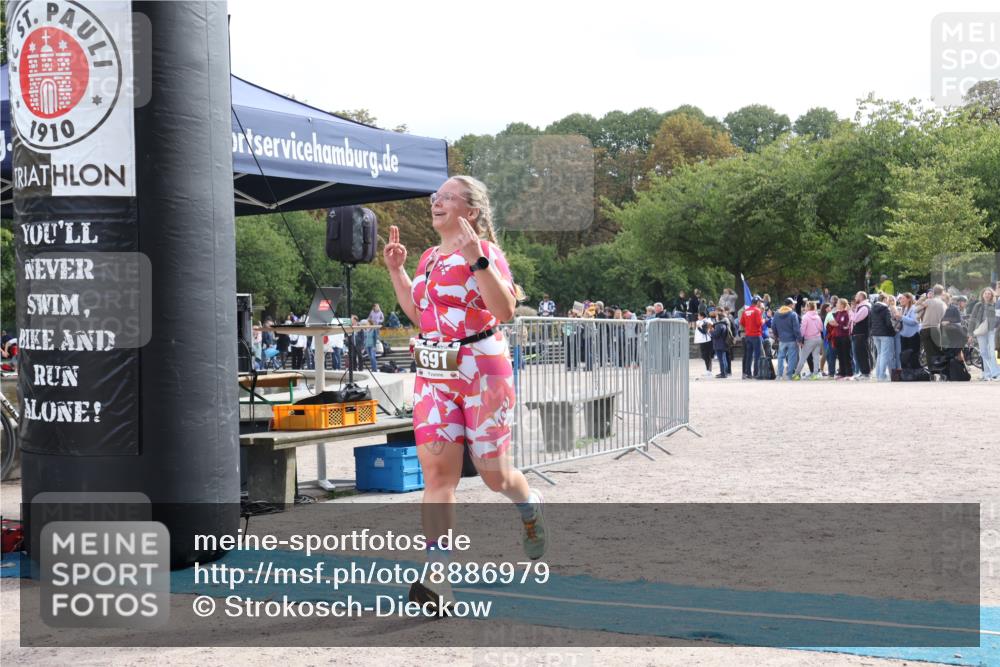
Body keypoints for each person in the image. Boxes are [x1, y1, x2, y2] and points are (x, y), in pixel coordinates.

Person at [382, 175, 545, 613]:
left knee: (495, 477)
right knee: (437, 478)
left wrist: (476, 260)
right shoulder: (429, 258)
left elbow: (505, 311)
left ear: (470, 211)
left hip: (483, 373)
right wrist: (397, 271)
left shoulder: (487, 252)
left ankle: (528, 505)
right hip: (435, 375)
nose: (436, 202)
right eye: (435, 197)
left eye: (447, 197)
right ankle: (438, 578)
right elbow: (420, 314)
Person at [969, 287, 999, 380]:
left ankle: (996, 373)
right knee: (983, 352)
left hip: (992, 330)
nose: (987, 295)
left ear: (992, 295)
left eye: (989, 294)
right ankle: (987, 374)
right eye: (985, 293)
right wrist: (970, 334)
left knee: (992, 351)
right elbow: (972, 319)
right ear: (982, 295)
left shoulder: (995, 305)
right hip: (981, 330)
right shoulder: (978, 305)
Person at [916, 285, 947, 368]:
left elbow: (916, 309)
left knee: (929, 351)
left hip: (925, 328)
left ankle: (931, 371)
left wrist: (922, 299)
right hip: (936, 328)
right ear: (942, 292)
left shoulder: (929, 301)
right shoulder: (943, 304)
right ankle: (941, 369)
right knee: (938, 350)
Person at [771, 297, 801, 380]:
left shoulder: (776, 314)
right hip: (792, 340)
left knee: (780, 357)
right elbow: (796, 329)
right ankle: (789, 375)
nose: (794, 305)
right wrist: (799, 339)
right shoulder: (793, 314)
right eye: (793, 304)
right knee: (792, 358)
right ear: (790, 305)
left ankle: (779, 375)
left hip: (782, 340)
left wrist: (777, 336)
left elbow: (773, 326)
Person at [869, 293, 896, 381]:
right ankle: (882, 376)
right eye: (887, 300)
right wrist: (893, 332)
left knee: (880, 354)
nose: (888, 301)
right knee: (884, 355)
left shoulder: (872, 308)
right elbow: (889, 323)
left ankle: (878, 375)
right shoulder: (885, 309)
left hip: (875, 334)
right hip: (885, 334)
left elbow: (870, 322)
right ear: (884, 299)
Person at [795, 301, 823, 380]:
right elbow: (821, 328)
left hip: (809, 339)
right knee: (816, 357)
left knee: (803, 358)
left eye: (805, 306)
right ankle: (815, 374)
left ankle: (796, 374)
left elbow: (802, 329)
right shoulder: (818, 317)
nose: (804, 308)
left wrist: (800, 340)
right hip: (818, 338)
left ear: (808, 307)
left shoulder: (805, 317)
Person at [739, 296, 764, 379]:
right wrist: (763, 321)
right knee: (757, 355)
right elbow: (759, 323)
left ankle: (748, 373)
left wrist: (748, 326)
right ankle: (756, 373)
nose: (760, 303)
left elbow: (741, 322)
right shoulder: (757, 310)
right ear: (757, 302)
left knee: (749, 355)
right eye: (760, 302)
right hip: (756, 335)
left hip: (748, 335)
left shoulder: (745, 311)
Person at [849, 291, 872, 380]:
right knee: (859, 354)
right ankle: (863, 372)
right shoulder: (860, 307)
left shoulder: (864, 308)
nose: (855, 298)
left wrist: (851, 312)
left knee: (862, 354)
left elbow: (855, 319)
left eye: (857, 296)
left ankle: (866, 373)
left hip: (861, 334)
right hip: (858, 334)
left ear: (861, 297)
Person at [833, 299, 853, 379]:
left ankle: (849, 373)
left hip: (845, 337)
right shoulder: (837, 313)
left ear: (842, 305)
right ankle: (842, 373)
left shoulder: (846, 314)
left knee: (846, 355)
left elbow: (846, 326)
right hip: (838, 337)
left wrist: (838, 325)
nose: (836, 304)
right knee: (840, 356)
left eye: (838, 303)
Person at [693, 311, 714, 377]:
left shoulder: (705, 322)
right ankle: (708, 370)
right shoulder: (702, 321)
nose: (697, 317)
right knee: (705, 356)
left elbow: (704, 332)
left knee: (707, 356)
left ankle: (709, 371)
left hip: (706, 341)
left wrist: (698, 327)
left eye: (698, 316)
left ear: (702, 316)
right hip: (703, 341)